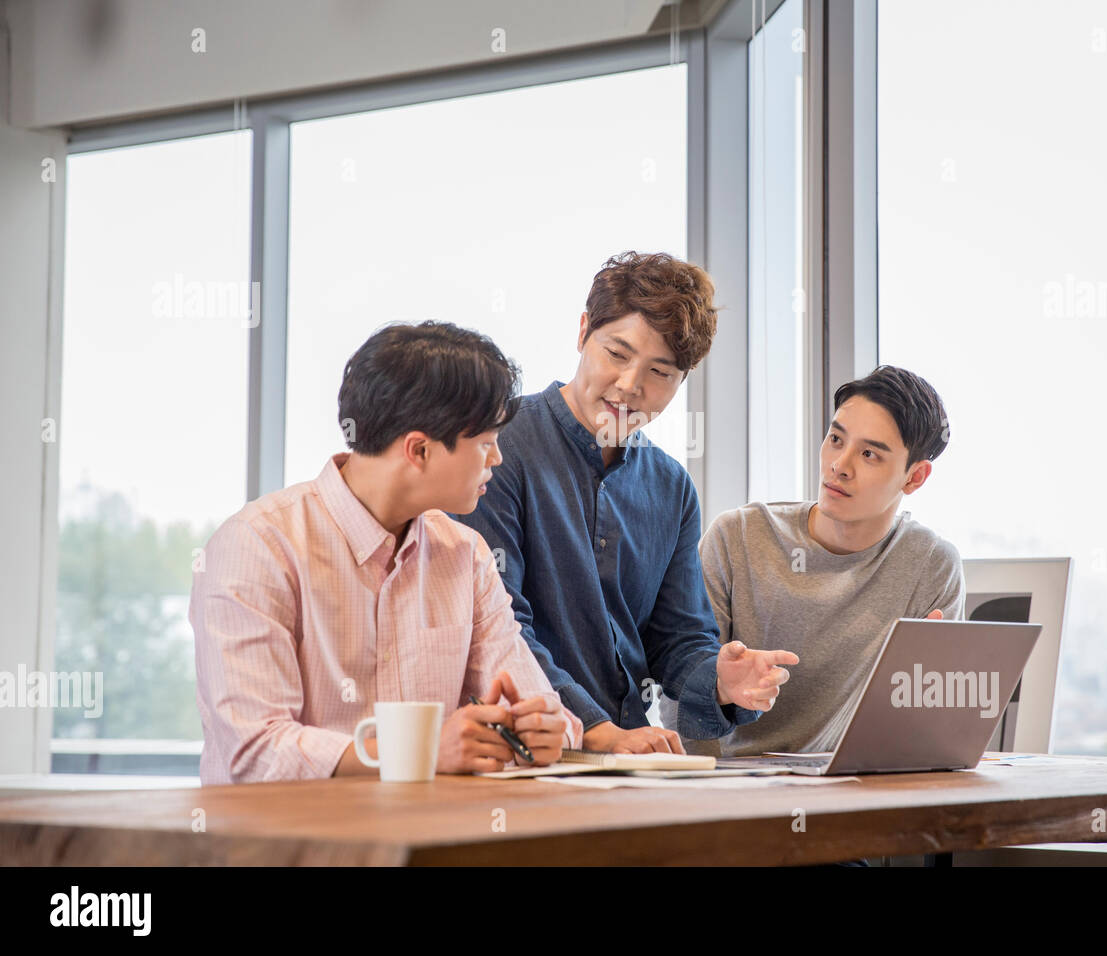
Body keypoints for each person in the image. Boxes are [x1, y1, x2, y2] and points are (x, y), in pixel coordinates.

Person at [190, 321, 582, 785]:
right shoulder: (257, 546)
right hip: (295, 847)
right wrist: (418, 750)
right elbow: (255, 752)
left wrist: (546, 730)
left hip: (431, 843)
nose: (496, 459)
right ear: (419, 450)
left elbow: (544, 711)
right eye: (486, 444)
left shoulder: (465, 553)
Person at [455, 251, 798, 754]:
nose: (630, 386)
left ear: (682, 382)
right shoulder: (497, 447)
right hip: (521, 749)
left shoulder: (672, 486)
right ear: (582, 332)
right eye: (617, 353)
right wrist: (599, 731)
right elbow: (499, 631)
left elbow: (678, 638)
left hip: (630, 755)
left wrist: (721, 679)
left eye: (660, 372)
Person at [661, 365, 964, 756]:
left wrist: (932, 694)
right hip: (739, 791)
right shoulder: (738, 538)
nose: (840, 464)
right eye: (836, 439)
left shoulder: (931, 566)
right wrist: (720, 695)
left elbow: (931, 738)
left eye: (869, 454)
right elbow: (677, 701)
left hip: (862, 794)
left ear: (914, 477)